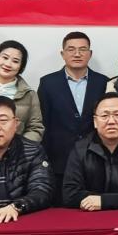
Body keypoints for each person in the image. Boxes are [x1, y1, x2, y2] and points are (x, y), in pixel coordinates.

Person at [38, 31, 108, 185]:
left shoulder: (103, 83)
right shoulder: (48, 83)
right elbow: (43, 122)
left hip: (96, 157)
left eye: (82, 49)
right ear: (62, 54)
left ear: (90, 54)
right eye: (71, 49)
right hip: (58, 160)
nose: (77, 54)